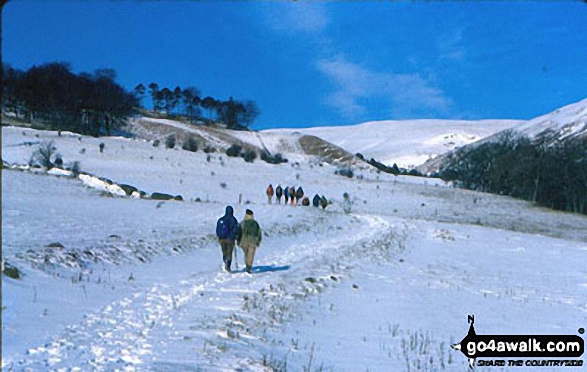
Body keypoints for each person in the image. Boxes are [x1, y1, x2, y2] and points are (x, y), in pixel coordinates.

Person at [236, 209, 262, 274]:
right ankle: (249, 267)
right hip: (253, 241)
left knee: (246, 254)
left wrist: (238, 240)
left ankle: (247, 264)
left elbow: (239, 232)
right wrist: (258, 241)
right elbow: (259, 233)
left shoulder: (242, 223)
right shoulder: (255, 223)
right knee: (251, 254)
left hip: (243, 241)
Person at [216, 206, 239, 272]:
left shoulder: (221, 220)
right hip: (230, 239)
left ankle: (224, 260)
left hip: (221, 239)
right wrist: (235, 236)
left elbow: (217, 229)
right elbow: (236, 229)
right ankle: (228, 266)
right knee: (229, 252)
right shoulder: (233, 219)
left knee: (224, 251)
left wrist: (219, 236)